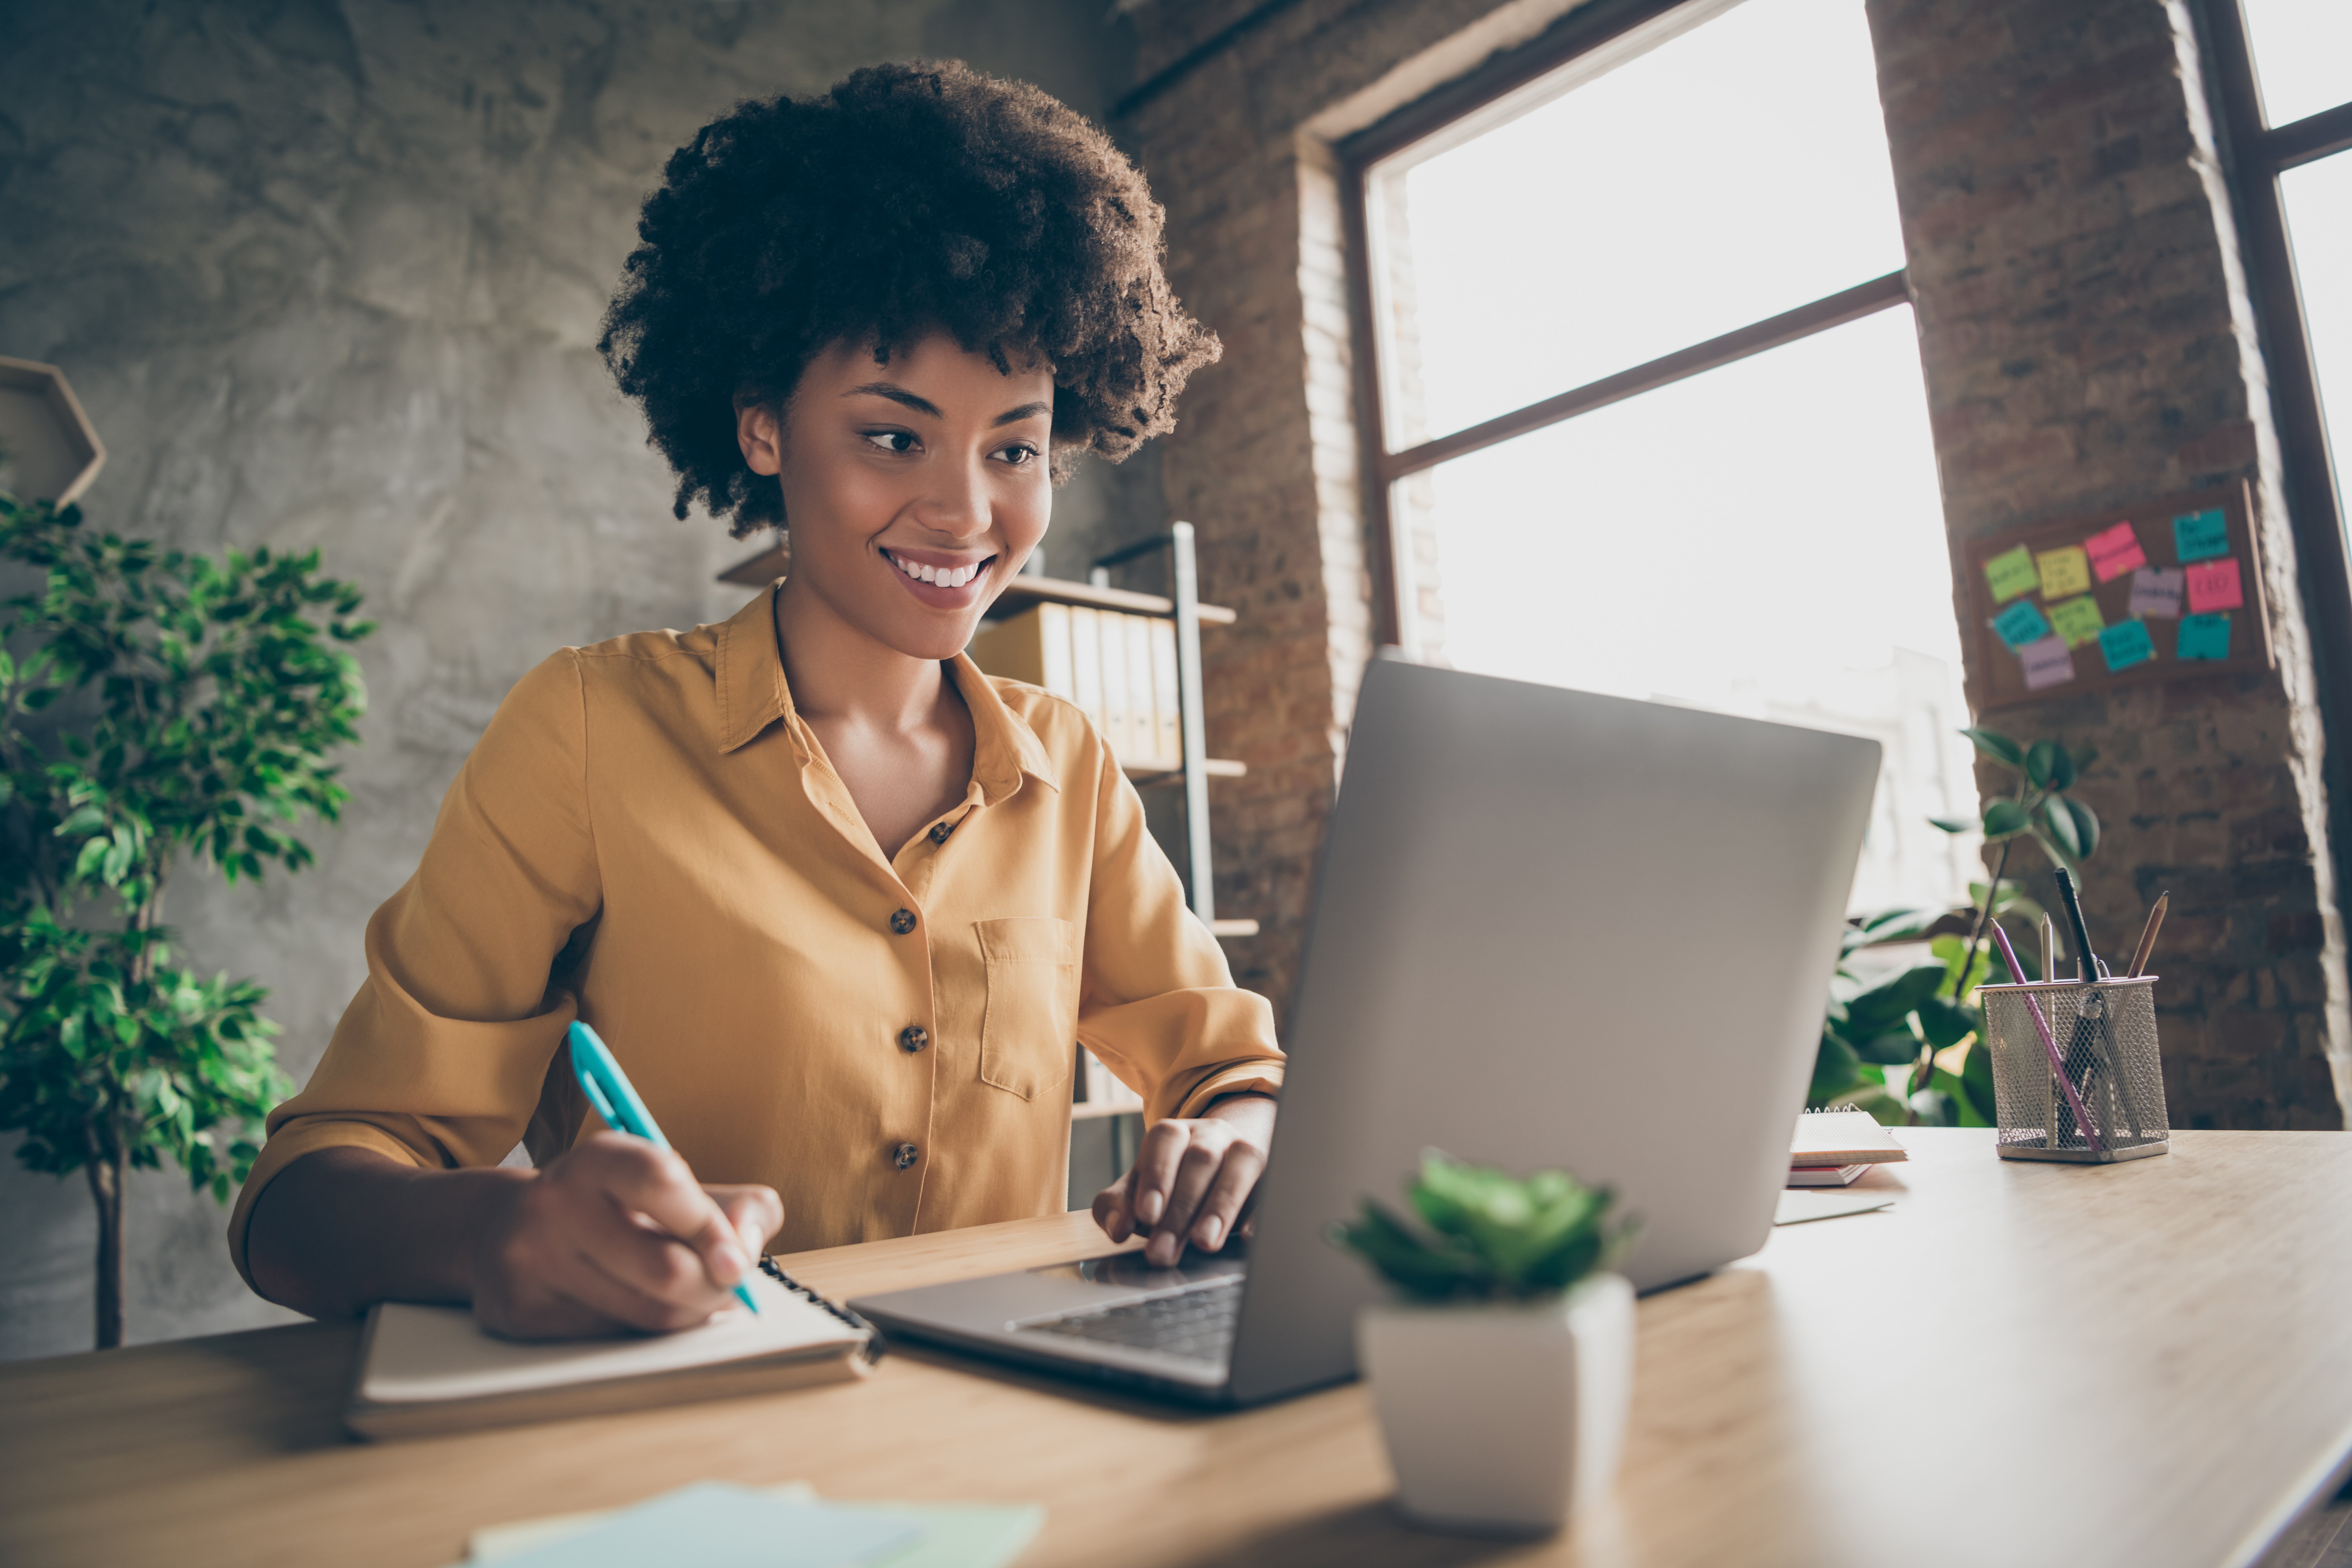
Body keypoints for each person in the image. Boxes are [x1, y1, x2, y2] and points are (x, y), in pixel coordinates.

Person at [234, 62, 1284, 1341]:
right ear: (764, 430)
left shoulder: (1066, 764)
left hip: (1009, 1439)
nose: (967, 510)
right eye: (894, 436)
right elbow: (301, 1202)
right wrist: (500, 1228)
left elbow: (1232, 1067)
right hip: (691, 1451)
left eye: (1014, 446)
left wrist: (1235, 1139)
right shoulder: (587, 732)